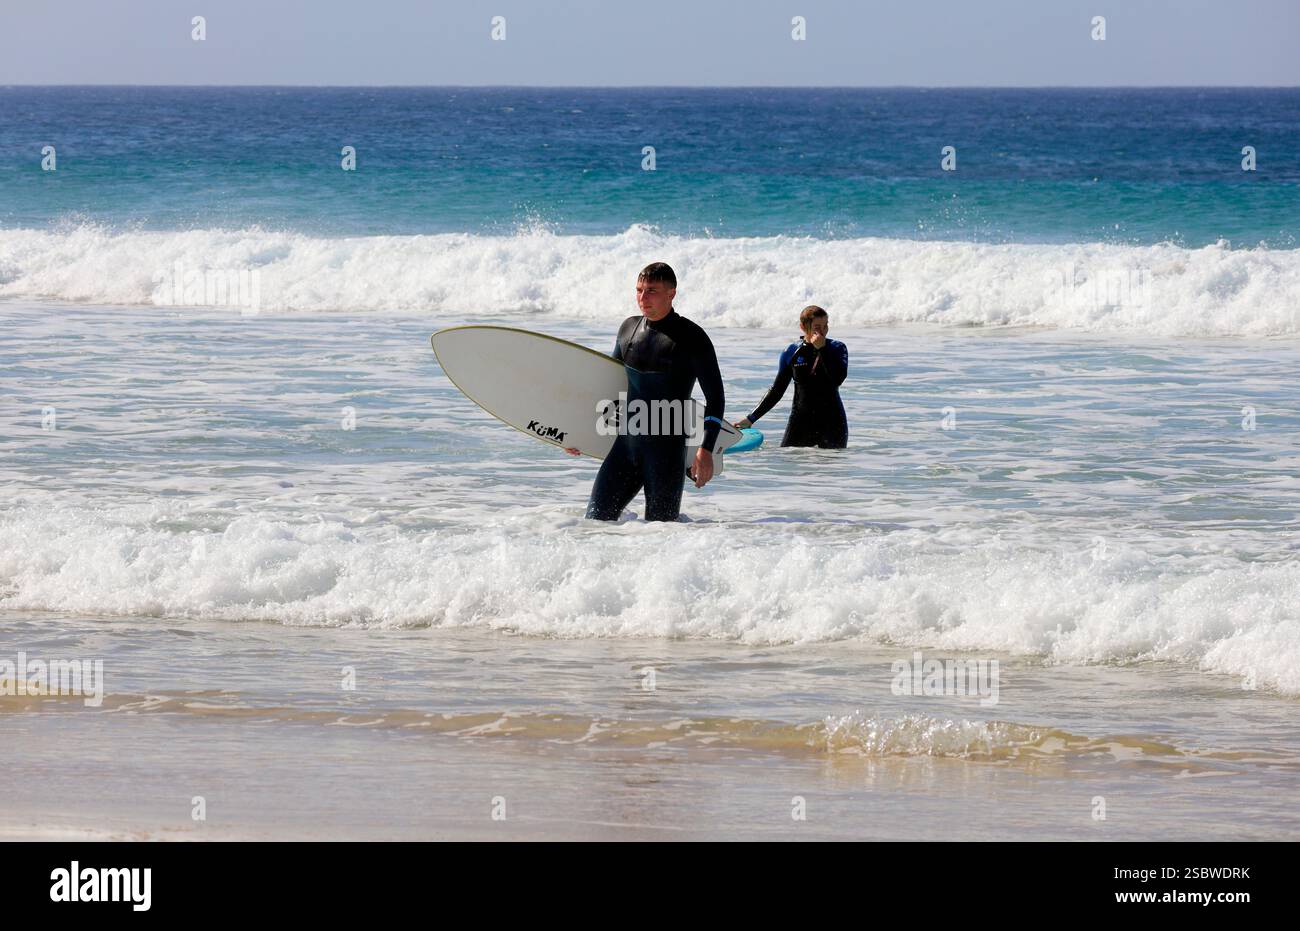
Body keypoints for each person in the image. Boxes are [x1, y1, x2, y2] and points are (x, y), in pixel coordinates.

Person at [564, 262, 726, 521]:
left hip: (666, 453)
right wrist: (582, 435)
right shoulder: (628, 329)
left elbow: (716, 398)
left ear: (671, 293)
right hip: (625, 448)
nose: (642, 297)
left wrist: (705, 450)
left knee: (662, 534)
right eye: (639, 290)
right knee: (594, 524)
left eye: (651, 290)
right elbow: (610, 390)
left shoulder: (693, 338)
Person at [734, 305, 847, 448]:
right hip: (800, 422)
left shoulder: (837, 348)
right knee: (790, 465)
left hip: (832, 423)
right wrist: (751, 419)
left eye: (826, 326)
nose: (823, 331)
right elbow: (777, 390)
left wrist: (822, 350)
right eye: (817, 327)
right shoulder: (792, 351)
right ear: (802, 327)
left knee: (832, 468)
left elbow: (838, 379)